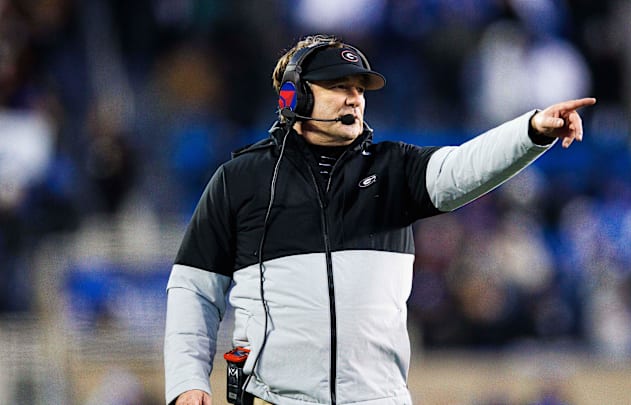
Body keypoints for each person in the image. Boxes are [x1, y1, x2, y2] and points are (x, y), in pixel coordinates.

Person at [164, 33, 595, 405]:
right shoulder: (240, 180)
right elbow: (194, 288)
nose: (354, 97)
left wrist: (532, 130)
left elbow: (463, 168)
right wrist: (187, 382)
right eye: (338, 85)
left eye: (360, 88)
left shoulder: (393, 169)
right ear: (293, 95)